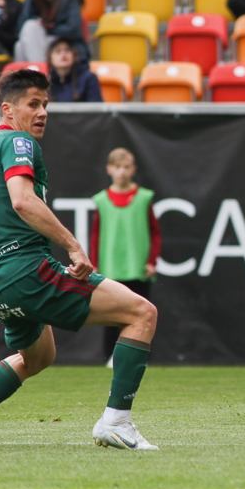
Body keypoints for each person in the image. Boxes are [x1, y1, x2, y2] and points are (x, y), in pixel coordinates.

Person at [0, 69, 159, 451]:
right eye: (33, 104)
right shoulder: (18, 141)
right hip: (26, 270)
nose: (42, 112)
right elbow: (22, 200)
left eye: (46, 104)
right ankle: (116, 421)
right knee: (142, 313)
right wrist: (73, 246)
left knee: (38, 357)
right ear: (8, 109)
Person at [91, 148, 160, 365]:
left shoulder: (144, 197)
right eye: (118, 167)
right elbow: (96, 235)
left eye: (126, 167)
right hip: (110, 269)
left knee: (143, 314)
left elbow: (155, 233)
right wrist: (94, 264)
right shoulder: (101, 200)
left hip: (137, 269)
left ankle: (140, 357)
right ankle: (110, 357)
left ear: (133, 170)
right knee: (111, 316)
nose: (122, 172)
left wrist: (151, 261)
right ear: (109, 169)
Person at [14, 0, 87, 63]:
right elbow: (21, 27)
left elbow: (73, 28)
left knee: (31, 28)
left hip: (63, 40)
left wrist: (49, 28)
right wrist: (39, 25)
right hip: (40, 39)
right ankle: (38, 68)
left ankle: (41, 69)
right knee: (20, 45)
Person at [47, 37, 102, 102]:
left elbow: (95, 106)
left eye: (67, 50)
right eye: (58, 51)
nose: (63, 54)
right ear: (50, 57)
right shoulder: (46, 81)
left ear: (74, 55)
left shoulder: (89, 78)